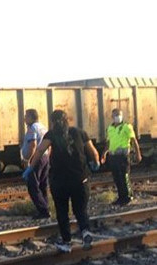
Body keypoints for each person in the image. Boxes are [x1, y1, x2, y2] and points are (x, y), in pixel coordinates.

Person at [26, 110, 100, 253]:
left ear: (53, 122)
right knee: (80, 209)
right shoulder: (80, 132)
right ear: (67, 120)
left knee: (62, 212)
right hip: (81, 179)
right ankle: (86, 232)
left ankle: (66, 243)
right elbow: (93, 152)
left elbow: (40, 151)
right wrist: (96, 163)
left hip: (59, 181)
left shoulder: (51, 135)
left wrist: (30, 168)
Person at [102, 108, 142, 206]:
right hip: (113, 156)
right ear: (112, 117)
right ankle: (121, 197)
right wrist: (104, 153)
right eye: (115, 115)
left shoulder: (126, 127)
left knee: (124, 176)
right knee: (117, 178)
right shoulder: (110, 128)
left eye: (119, 115)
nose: (117, 117)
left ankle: (128, 197)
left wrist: (138, 154)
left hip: (123, 156)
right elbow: (108, 142)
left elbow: (133, 141)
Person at [20, 109, 50, 218]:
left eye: (26, 116)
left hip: (36, 158)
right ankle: (46, 206)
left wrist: (28, 160)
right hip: (45, 157)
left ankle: (43, 211)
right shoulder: (42, 127)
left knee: (33, 185)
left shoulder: (32, 128)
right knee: (43, 184)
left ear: (31, 117)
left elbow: (33, 145)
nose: (24, 119)